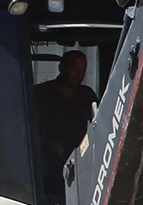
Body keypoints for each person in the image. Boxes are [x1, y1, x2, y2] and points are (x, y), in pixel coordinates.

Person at [36, 50, 100, 184]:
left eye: (83, 70)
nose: (79, 75)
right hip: (46, 162)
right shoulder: (41, 93)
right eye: (75, 69)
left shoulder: (87, 95)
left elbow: (99, 124)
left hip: (79, 161)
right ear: (62, 68)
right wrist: (50, 143)